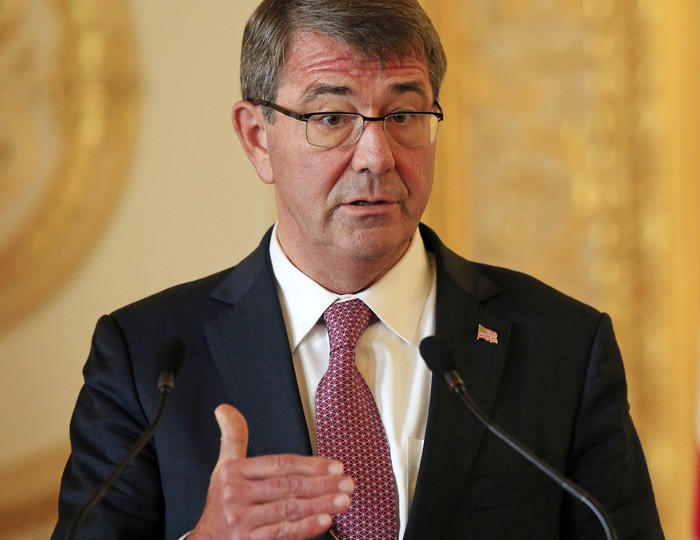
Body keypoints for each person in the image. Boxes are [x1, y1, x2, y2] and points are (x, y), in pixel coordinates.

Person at [53, 0, 664, 538]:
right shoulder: (147, 359)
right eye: (331, 118)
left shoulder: (561, 344)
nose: (377, 157)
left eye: (403, 115)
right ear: (258, 139)